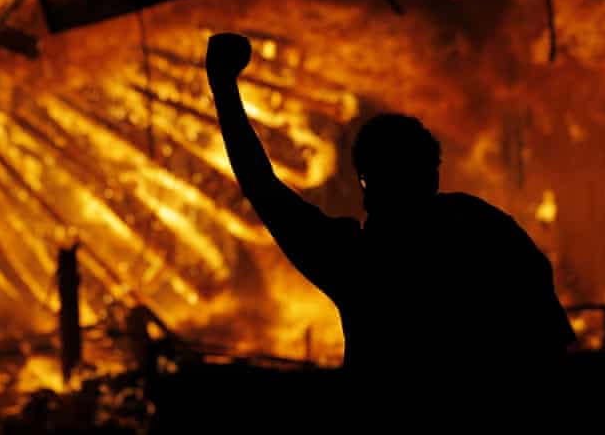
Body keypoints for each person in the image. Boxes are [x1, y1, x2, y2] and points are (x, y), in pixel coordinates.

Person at [205, 32, 575, 423]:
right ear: (432, 176)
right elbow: (552, 344)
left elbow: (264, 190)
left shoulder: (360, 265)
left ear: (367, 181)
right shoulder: (486, 230)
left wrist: (224, 89)